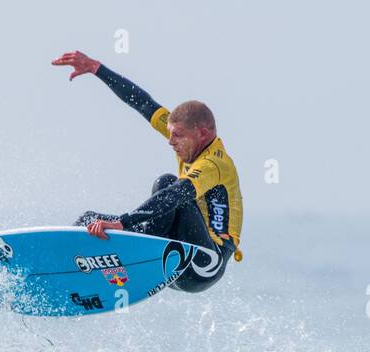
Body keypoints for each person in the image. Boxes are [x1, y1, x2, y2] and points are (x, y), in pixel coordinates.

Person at [51, 50, 243, 293]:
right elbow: (142, 102)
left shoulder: (215, 164)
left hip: (204, 263)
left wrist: (123, 222)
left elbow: (176, 195)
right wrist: (97, 68)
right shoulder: (186, 138)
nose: (170, 142)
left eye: (178, 136)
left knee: (167, 184)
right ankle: (65, 271)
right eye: (170, 134)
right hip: (175, 252)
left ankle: (126, 242)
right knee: (89, 222)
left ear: (202, 133)